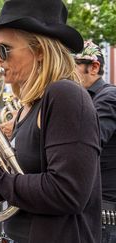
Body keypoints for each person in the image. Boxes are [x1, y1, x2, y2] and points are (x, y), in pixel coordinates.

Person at [0, 0, 102, 242]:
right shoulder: (31, 105)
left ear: (39, 50)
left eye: (4, 49)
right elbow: (19, 177)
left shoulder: (65, 94)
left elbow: (68, 193)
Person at [74, 40, 116, 243]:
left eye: (73, 65)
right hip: (89, 208)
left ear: (94, 67)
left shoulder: (108, 97)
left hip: (104, 214)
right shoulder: (83, 99)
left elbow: (89, 141)